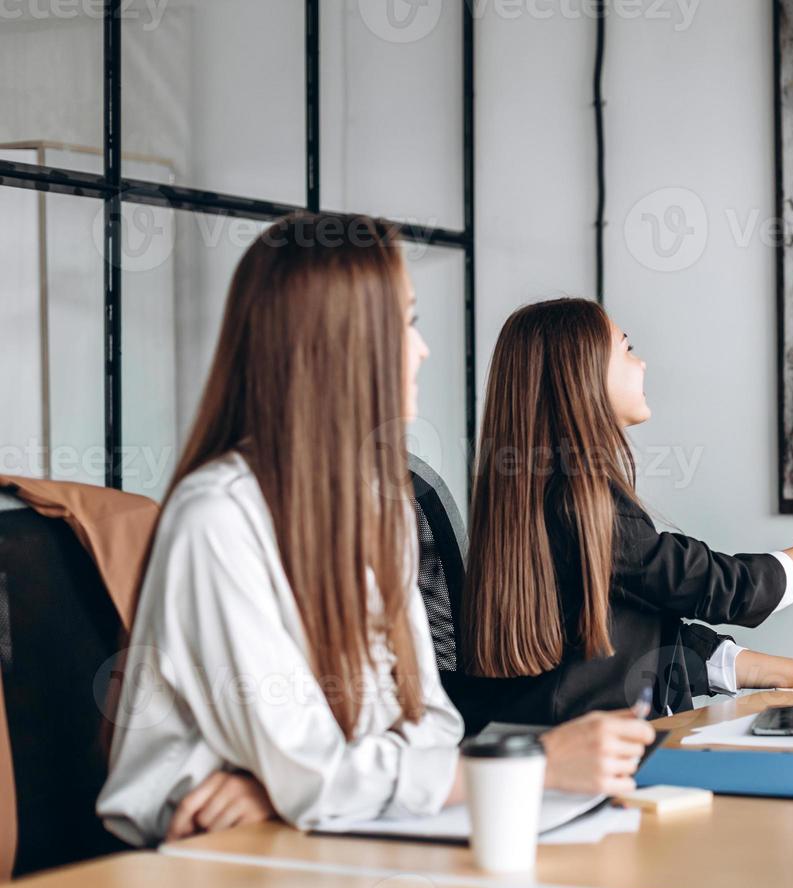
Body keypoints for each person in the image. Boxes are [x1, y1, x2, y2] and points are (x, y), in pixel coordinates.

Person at [97, 215, 654, 847]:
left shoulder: (378, 504)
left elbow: (428, 721)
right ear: (337, 341)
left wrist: (280, 789)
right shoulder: (218, 517)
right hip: (201, 856)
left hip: (329, 833)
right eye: (406, 322)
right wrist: (536, 763)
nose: (421, 349)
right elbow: (310, 770)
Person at [448, 298, 793, 730]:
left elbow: (668, 645)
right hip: (589, 762)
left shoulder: (551, 498)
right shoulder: (581, 503)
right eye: (626, 348)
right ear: (581, 372)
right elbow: (726, 588)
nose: (642, 362)